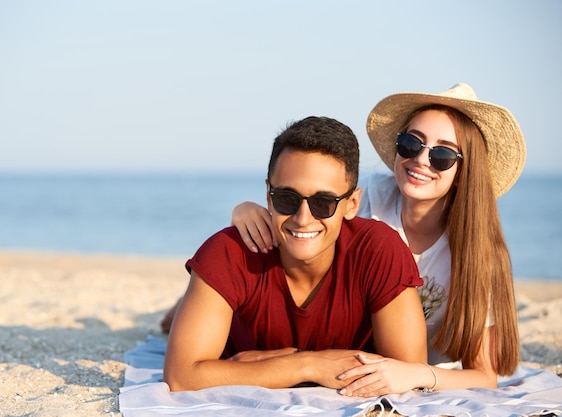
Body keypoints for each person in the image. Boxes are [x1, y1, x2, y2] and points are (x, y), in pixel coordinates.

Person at [219, 83, 524, 396]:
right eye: (410, 143)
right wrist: (247, 209)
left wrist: (417, 375)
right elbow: (302, 210)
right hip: (335, 354)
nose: (420, 159)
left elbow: (483, 376)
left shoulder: (476, 253)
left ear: (464, 169)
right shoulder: (366, 200)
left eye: (442, 155)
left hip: (390, 370)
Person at [163, 116, 429, 392]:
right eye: (287, 199)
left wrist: (280, 362)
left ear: (352, 204)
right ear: (268, 195)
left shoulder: (379, 250)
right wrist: (307, 364)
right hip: (225, 293)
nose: (303, 219)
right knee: (169, 324)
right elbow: (181, 377)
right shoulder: (229, 251)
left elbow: (409, 372)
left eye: (323, 202)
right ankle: (180, 304)